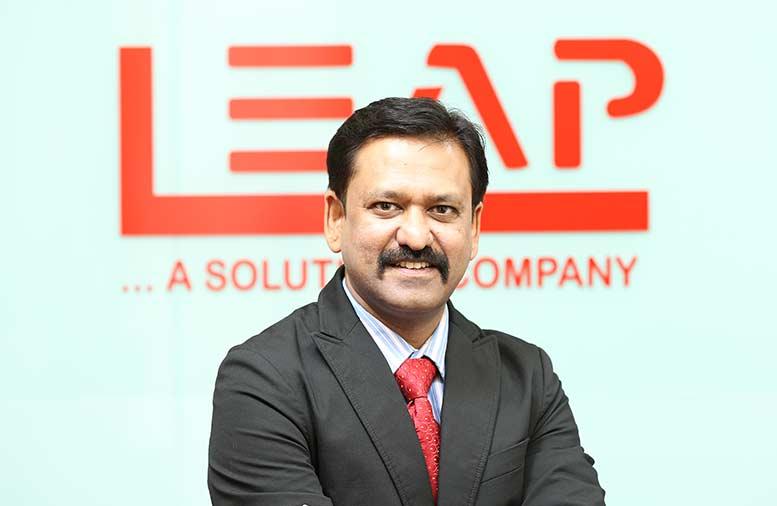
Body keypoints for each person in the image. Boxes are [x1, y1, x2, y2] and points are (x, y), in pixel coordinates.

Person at [208, 97, 606, 506]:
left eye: (442, 209)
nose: (415, 237)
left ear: (474, 227)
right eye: (387, 207)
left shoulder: (526, 378)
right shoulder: (265, 379)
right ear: (335, 218)